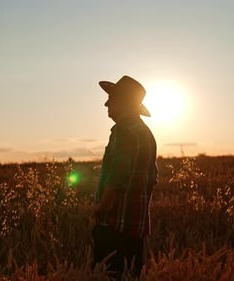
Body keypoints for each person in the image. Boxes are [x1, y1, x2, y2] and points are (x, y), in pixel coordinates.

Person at [92, 75, 158, 278]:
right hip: (135, 227)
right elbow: (152, 178)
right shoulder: (145, 133)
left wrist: (101, 207)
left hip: (115, 226)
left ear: (124, 102)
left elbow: (119, 174)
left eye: (111, 99)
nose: (106, 104)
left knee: (109, 274)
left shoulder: (123, 131)